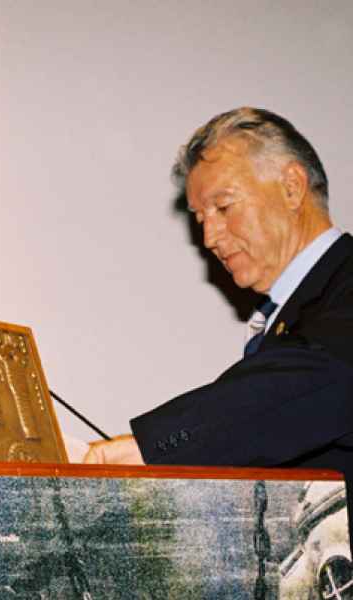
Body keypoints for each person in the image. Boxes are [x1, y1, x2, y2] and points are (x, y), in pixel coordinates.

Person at [84, 107, 353, 492]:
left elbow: (314, 380)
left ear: (292, 187)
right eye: (200, 219)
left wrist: (153, 447)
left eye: (224, 207)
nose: (209, 237)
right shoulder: (283, 317)